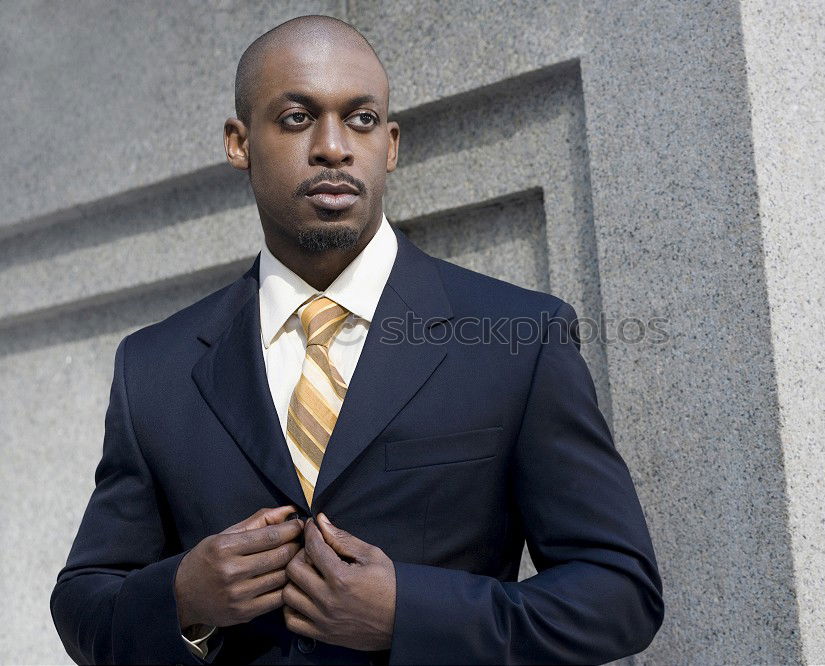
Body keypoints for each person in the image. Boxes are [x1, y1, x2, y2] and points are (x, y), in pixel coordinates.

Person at [50, 14, 664, 665]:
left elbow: (620, 594)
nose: (334, 147)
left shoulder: (519, 339)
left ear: (391, 145)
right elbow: (84, 601)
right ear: (239, 142)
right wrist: (180, 598)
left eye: (361, 119)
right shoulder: (155, 367)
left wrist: (410, 614)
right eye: (296, 118)